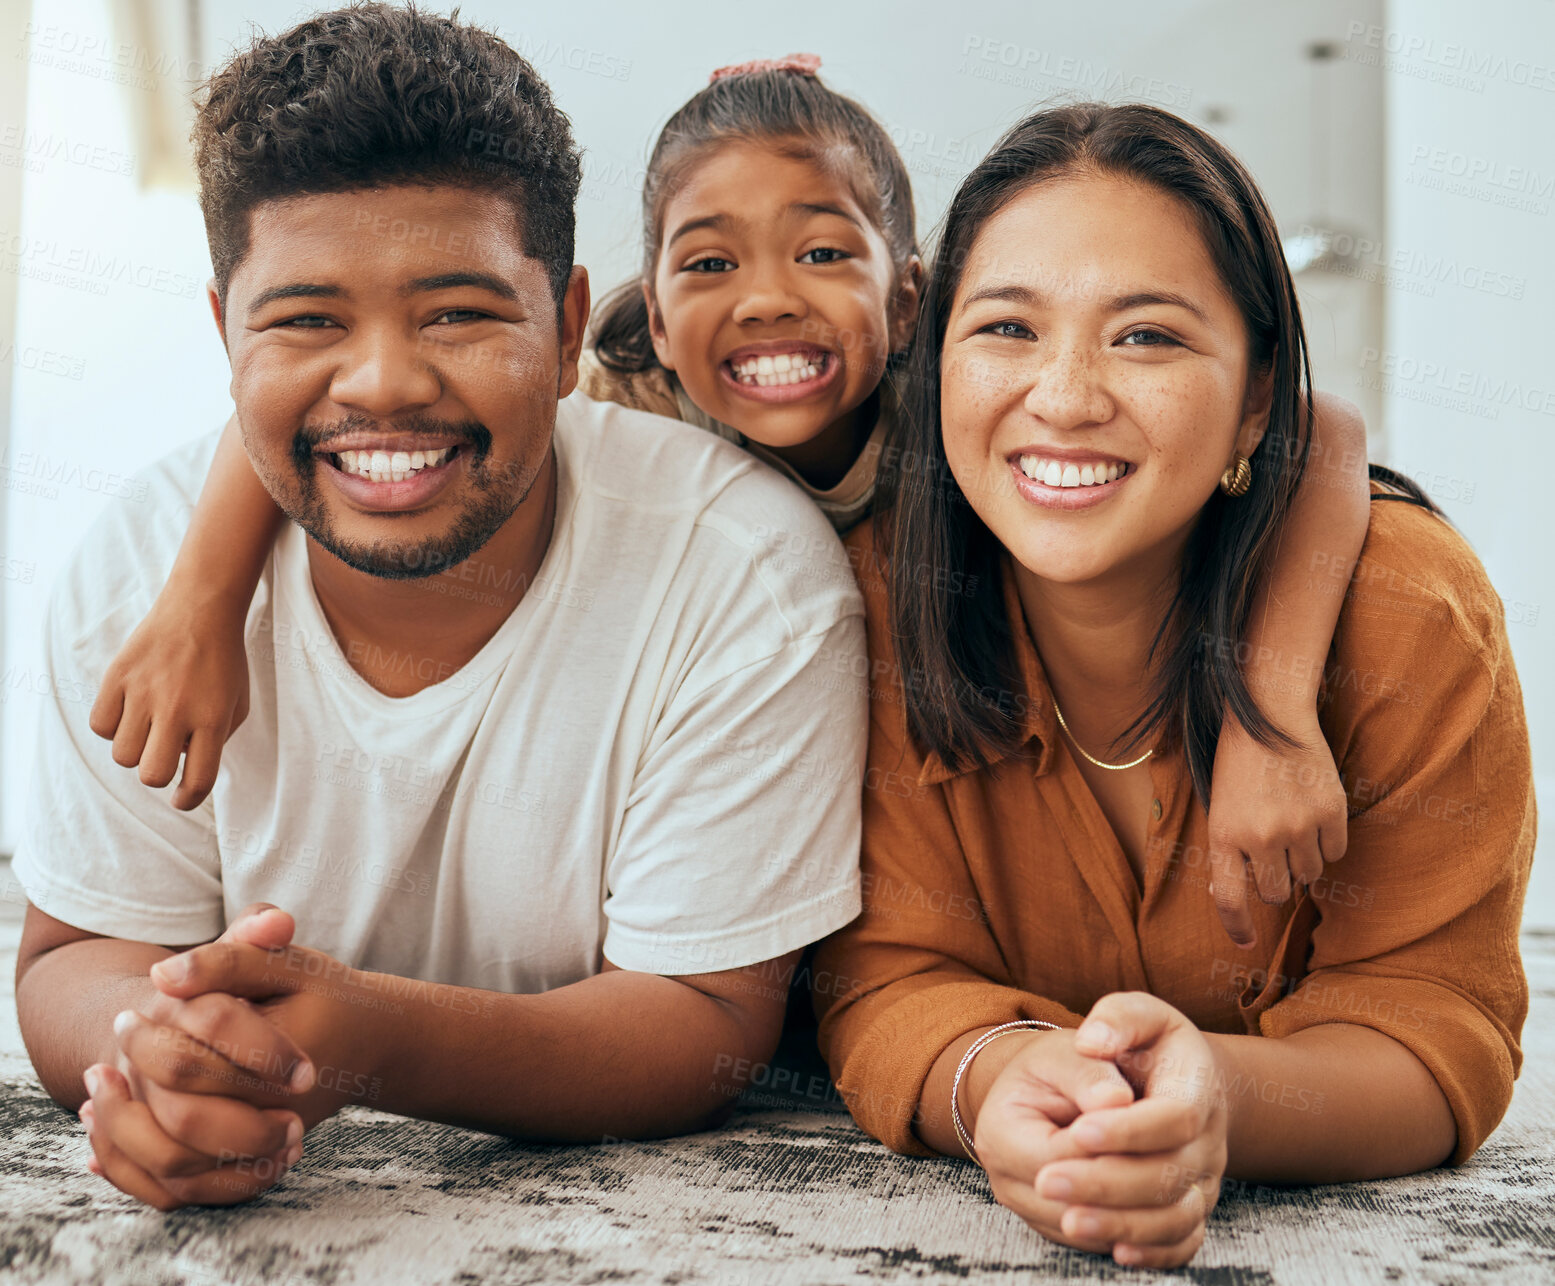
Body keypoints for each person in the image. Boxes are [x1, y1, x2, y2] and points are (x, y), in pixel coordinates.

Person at [97, 55, 1375, 948]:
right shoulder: (616, 394)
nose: (765, 298)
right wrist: (203, 604)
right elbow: (347, 423)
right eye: (711, 262)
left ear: (909, 299)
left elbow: (1322, 429)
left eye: (821, 251)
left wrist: (1270, 717)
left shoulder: (962, 395)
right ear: (650, 310)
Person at [13, 5, 868, 1211]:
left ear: (569, 327)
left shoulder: (747, 575)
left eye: (458, 313)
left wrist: (362, 1038)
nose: (382, 384)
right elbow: (72, 953)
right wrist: (163, 1055)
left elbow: (703, 1023)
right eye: (307, 319)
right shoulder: (141, 579)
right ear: (223, 331)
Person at [813, 102, 1534, 1270]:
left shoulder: (1410, 616)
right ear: (931, 361)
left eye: (1144, 337)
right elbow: (883, 980)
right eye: (1005, 327)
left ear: (1258, 400)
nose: (1065, 395)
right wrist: (993, 1079)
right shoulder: (868, 603)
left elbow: (1434, 1025)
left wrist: (1223, 1095)